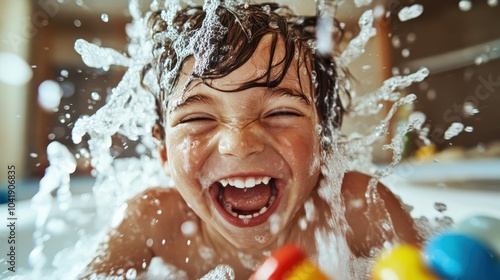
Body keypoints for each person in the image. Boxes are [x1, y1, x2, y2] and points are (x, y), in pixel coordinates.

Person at [79, 2, 422, 279]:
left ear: (324, 141)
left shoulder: (358, 210)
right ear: (165, 152)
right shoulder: (152, 223)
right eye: (198, 119)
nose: (239, 143)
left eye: (280, 113)